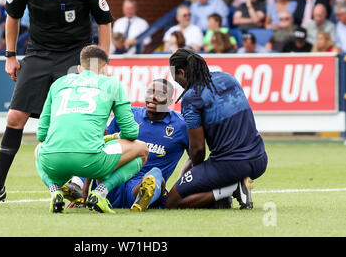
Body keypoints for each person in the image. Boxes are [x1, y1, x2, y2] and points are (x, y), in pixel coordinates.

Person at [0, 0, 113, 208]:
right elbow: (12, 16)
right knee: (15, 117)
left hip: (75, 54)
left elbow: (104, 20)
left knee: (81, 117)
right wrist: (10, 55)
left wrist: (100, 64)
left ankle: (87, 187)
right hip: (38, 53)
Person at [35, 45, 148, 213]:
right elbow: (131, 133)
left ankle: (54, 189)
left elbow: (41, 134)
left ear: (80, 68)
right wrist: (113, 138)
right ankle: (100, 193)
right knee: (142, 149)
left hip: (53, 161)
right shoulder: (112, 84)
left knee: (38, 150)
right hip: (92, 161)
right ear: (104, 68)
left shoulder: (59, 83)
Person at [166, 49, 268, 209]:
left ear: (181, 72)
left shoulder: (192, 97)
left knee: (172, 201)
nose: (179, 84)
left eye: (177, 79)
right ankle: (232, 187)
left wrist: (193, 172)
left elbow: (198, 149)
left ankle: (231, 189)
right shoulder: (228, 78)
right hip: (260, 159)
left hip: (231, 165)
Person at [98, 79, 188, 211]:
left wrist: (181, 185)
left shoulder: (181, 126)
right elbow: (100, 145)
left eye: (160, 94)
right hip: (112, 182)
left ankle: (144, 197)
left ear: (169, 101)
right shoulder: (129, 115)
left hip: (137, 187)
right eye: (149, 92)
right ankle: (76, 185)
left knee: (156, 174)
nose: (153, 97)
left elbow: (196, 156)